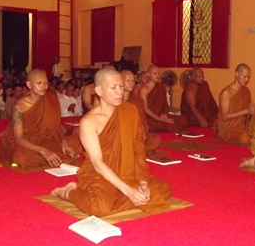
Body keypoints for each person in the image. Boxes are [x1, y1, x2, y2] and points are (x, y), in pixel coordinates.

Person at [51, 68, 171, 217]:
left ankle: (123, 195)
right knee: (101, 208)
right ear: (99, 91)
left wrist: (143, 181)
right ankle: (69, 192)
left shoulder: (130, 110)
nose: (119, 92)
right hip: (99, 173)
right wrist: (129, 190)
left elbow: (138, 149)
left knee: (164, 190)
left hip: (128, 171)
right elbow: (97, 163)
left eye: (121, 86)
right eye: (113, 88)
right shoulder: (89, 121)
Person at [0, 69, 81, 169]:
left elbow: (55, 127)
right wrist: (42, 150)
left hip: (48, 138)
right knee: (20, 156)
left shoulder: (50, 98)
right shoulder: (18, 107)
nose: (43, 86)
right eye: (39, 83)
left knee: (80, 140)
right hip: (29, 143)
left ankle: (57, 155)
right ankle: (57, 156)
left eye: (45, 83)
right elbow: (18, 139)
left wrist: (64, 142)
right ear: (29, 84)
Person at [214, 64, 255, 146]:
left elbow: (247, 115)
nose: (246, 79)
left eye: (248, 77)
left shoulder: (246, 91)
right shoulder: (226, 93)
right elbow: (224, 116)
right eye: (244, 76)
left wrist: (252, 111)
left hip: (242, 126)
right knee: (245, 138)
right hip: (228, 129)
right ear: (236, 74)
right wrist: (246, 111)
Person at [121, 70, 161, 155]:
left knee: (155, 139)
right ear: (120, 82)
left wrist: (143, 131)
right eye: (128, 81)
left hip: (136, 135)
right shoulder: (113, 100)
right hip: (120, 135)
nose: (131, 83)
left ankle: (129, 152)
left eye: (133, 81)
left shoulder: (138, 100)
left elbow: (143, 120)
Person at [140, 65, 188, 132]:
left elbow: (165, 105)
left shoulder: (161, 87)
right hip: (150, 118)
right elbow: (145, 109)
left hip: (161, 116)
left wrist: (164, 115)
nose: (157, 75)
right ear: (148, 74)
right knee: (149, 125)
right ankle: (167, 125)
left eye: (158, 73)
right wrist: (159, 119)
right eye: (155, 73)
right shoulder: (144, 89)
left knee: (183, 120)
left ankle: (166, 125)